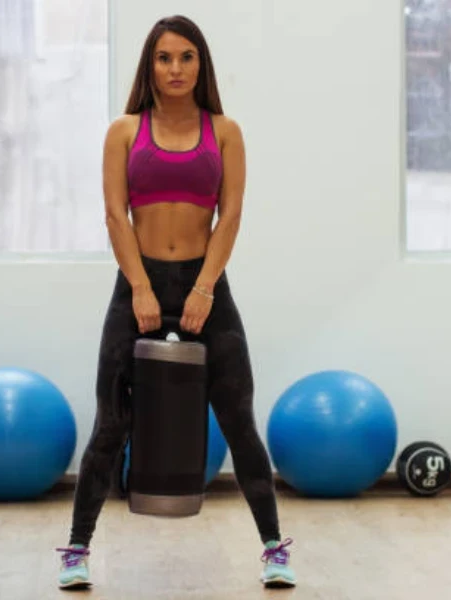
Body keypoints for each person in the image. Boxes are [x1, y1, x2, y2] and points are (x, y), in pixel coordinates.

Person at [55, 15, 296, 591]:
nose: (176, 69)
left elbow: (230, 214)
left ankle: (274, 549)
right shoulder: (123, 131)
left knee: (238, 420)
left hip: (205, 285)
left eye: (186, 57)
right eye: (165, 58)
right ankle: (76, 551)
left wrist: (204, 288)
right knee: (110, 424)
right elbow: (116, 215)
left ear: (201, 64)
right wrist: (139, 285)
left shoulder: (226, 131)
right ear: (150, 66)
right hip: (136, 283)